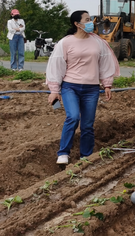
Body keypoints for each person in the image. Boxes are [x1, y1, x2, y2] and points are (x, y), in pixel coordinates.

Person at [46, 10, 120, 165]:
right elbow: (56, 65)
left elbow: (105, 63)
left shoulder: (98, 42)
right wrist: (54, 90)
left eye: (90, 19)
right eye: (87, 19)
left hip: (91, 88)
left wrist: (107, 85)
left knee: (87, 124)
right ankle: (63, 153)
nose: (91, 22)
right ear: (77, 24)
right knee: (73, 117)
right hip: (70, 86)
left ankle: (85, 156)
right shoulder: (65, 42)